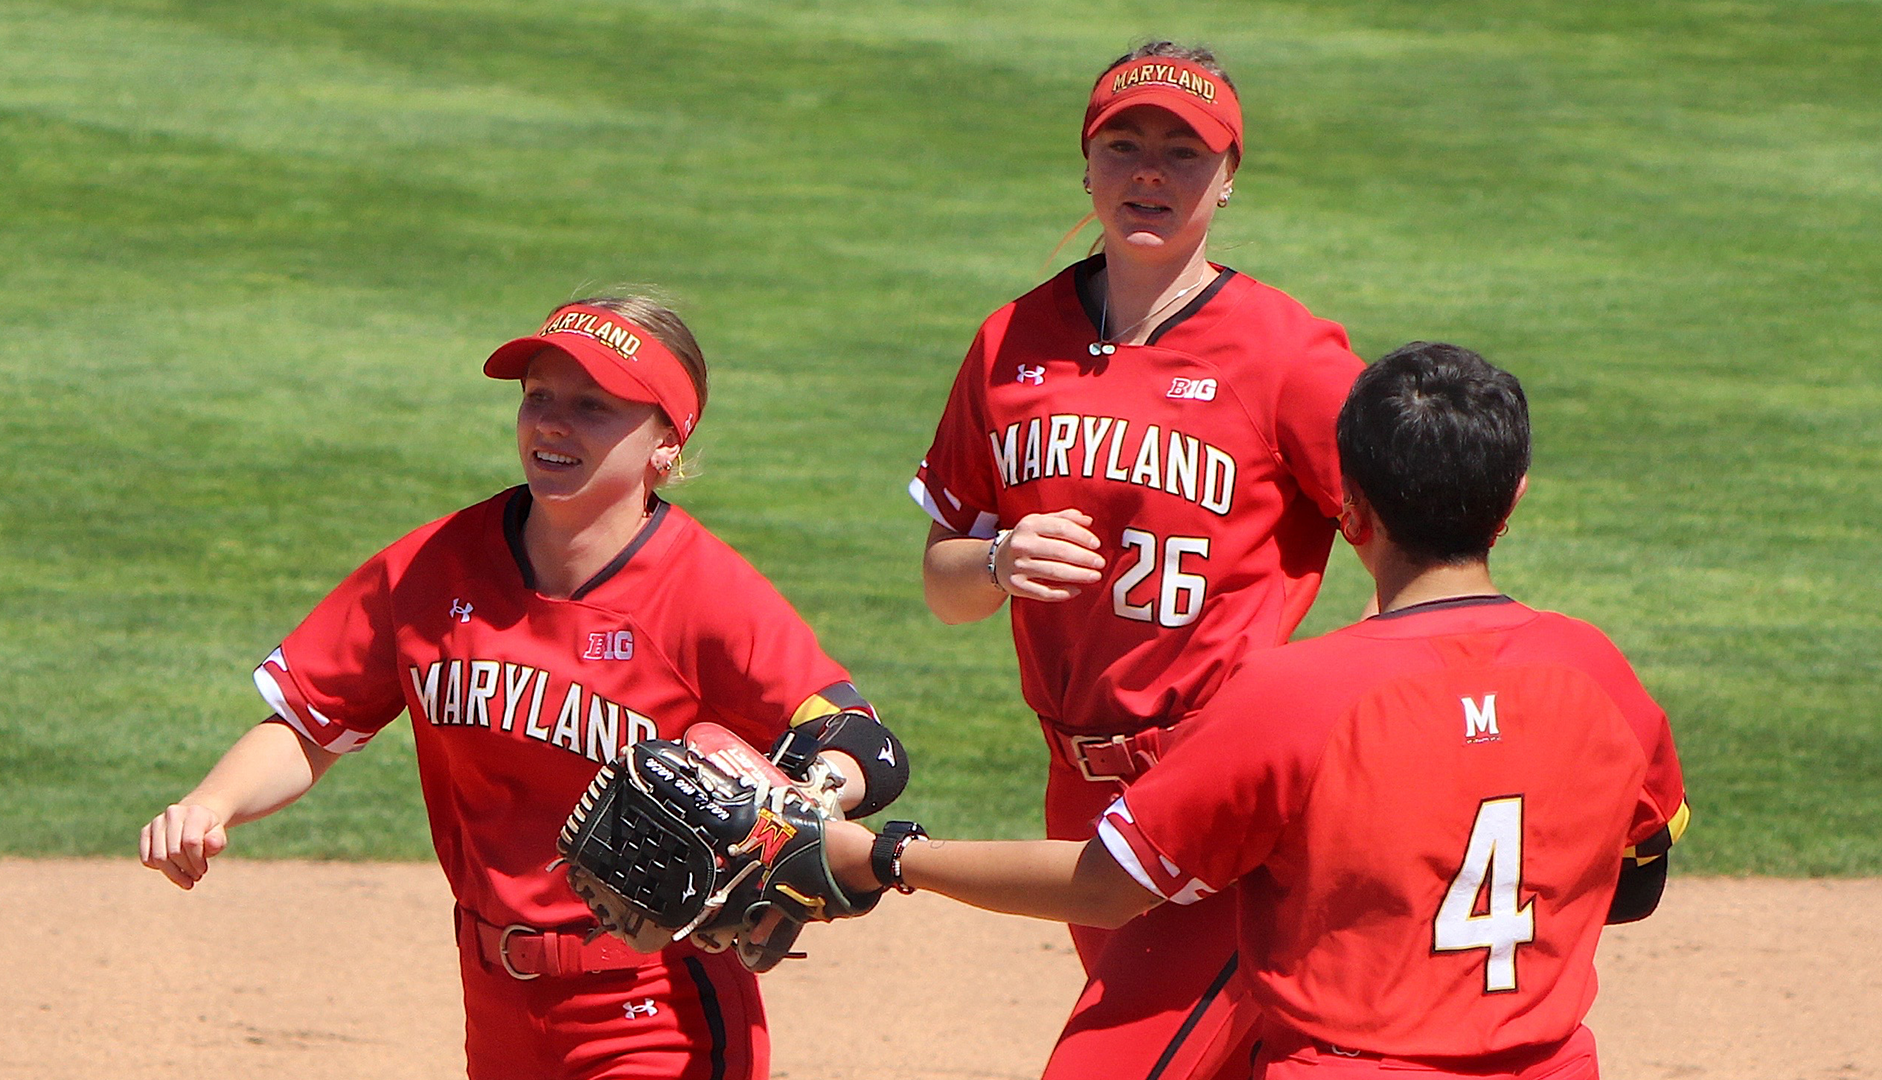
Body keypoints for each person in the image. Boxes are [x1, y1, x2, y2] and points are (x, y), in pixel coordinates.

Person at [843, 342, 1691, 1080]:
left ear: (1349, 514)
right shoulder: (1598, 673)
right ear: (1512, 504)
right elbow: (1637, 881)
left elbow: (1104, 889)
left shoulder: (1297, 697)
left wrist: (892, 855)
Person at [139, 294, 910, 1080]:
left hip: (658, 1006)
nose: (552, 423)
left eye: (592, 406)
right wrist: (211, 802)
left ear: (665, 448)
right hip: (498, 1003)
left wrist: (810, 793)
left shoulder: (703, 592)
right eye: (537, 396)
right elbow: (314, 719)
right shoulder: (435, 566)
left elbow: (863, 743)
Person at [909, 40, 1365, 1080]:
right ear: (1086, 166)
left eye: (1182, 151)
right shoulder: (1011, 341)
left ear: (1229, 177)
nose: (1149, 173)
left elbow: (1417, 532)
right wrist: (999, 560)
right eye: (1124, 145)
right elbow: (943, 584)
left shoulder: (1287, 352)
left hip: (1221, 788)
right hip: (1079, 794)